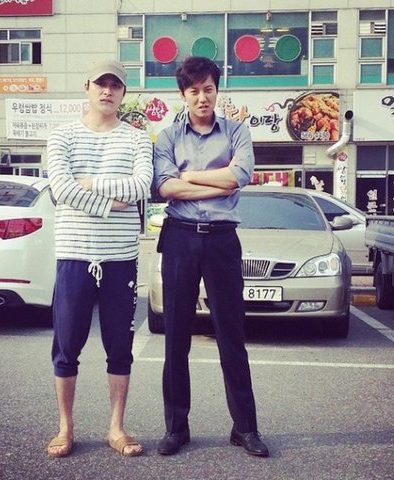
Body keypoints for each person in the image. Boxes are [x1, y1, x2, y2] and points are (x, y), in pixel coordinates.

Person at [153, 56, 269, 457]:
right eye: (194, 91)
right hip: (180, 238)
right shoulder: (168, 137)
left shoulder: (237, 131)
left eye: (209, 89)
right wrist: (218, 184)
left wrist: (189, 176)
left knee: (231, 335)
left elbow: (240, 176)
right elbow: (166, 188)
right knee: (175, 337)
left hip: (222, 240)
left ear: (217, 91)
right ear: (183, 95)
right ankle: (176, 428)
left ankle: (245, 428)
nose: (202, 97)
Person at [46, 59, 153, 458]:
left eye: (116, 85)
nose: (107, 91)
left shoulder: (137, 139)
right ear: (87, 86)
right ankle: (65, 427)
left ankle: (116, 428)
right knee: (66, 346)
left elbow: (141, 185)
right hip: (74, 254)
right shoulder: (63, 136)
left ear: (123, 93)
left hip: (120, 258)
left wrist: (90, 182)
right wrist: (112, 204)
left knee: (120, 347)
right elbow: (61, 188)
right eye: (101, 84)